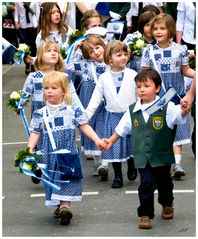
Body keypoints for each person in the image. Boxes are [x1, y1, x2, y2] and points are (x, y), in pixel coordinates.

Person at [103, 68, 189, 229]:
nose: (141, 90)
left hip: (162, 156)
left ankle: (167, 203)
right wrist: (110, 141)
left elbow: (179, 116)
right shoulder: (132, 110)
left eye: (146, 86)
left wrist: (184, 109)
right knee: (146, 184)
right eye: (139, 86)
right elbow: (122, 129)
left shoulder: (167, 106)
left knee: (165, 184)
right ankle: (145, 214)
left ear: (157, 88)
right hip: (142, 156)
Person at [27, 71, 105, 225]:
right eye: (46, 88)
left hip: (68, 153)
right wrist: (29, 150)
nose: (49, 91)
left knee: (69, 180)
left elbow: (84, 126)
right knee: (53, 181)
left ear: (63, 91)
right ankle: (58, 204)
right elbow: (35, 133)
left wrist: (97, 140)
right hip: (49, 154)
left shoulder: (72, 111)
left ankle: (64, 206)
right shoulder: (39, 113)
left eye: (54, 88)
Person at [18, 40, 84, 183]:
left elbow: (72, 95)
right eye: (49, 51)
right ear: (40, 56)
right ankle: (38, 166)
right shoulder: (33, 77)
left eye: (56, 51)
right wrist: (19, 103)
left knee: (56, 142)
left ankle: (57, 170)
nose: (54, 53)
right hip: (40, 117)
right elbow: (25, 93)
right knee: (39, 142)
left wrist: (81, 113)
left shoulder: (63, 77)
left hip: (59, 115)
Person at [141, 13, 195, 179]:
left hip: (176, 95)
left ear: (170, 30)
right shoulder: (148, 51)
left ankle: (177, 163)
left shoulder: (180, 50)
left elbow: (185, 70)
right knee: (159, 130)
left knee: (176, 130)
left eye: (162, 28)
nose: (158, 31)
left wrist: (195, 74)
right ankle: (160, 162)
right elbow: (144, 74)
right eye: (155, 28)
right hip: (157, 98)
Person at [86, 40, 137, 187]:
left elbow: (138, 95)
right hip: (112, 116)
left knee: (131, 144)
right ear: (109, 59)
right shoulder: (104, 78)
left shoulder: (132, 74)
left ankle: (132, 164)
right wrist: (85, 117)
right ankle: (118, 176)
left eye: (125, 54)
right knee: (114, 147)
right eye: (119, 55)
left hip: (130, 114)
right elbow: (95, 99)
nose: (123, 57)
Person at [70, 36, 108, 176]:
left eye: (97, 47)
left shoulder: (111, 63)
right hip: (89, 100)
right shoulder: (85, 65)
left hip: (107, 101)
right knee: (92, 128)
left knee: (106, 128)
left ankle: (106, 163)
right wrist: (74, 50)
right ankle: (98, 164)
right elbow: (69, 67)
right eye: (91, 52)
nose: (96, 52)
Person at [14, 2, 40, 74]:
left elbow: (37, 12)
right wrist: (16, 22)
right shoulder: (18, 2)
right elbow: (16, 12)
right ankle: (27, 64)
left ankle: (33, 64)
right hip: (23, 26)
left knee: (33, 46)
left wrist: (37, 24)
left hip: (33, 27)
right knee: (24, 47)